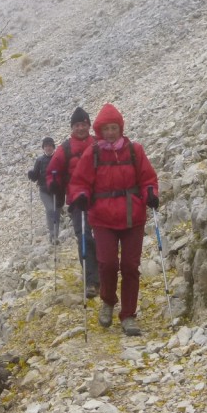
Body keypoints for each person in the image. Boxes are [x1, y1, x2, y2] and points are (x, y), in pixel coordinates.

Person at [68, 103, 159, 337]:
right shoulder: (94, 152)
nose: (110, 132)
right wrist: (80, 196)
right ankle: (108, 301)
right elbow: (80, 181)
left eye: (114, 128)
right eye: (106, 128)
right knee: (107, 264)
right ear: (99, 130)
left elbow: (148, 177)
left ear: (120, 128)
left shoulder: (134, 150)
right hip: (103, 218)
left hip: (133, 216)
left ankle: (128, 315)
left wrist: (151, 193)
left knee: (130, 267)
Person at [45, 106, 100, 298]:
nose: (80, 128)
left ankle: (101, 274)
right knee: (84, 236)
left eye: (84, 124)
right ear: (72, 127)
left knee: (101, 237)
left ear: (89, 125)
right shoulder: (65, 148)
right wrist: (52, 183)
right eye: (77, 125)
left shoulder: (98, 143)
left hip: (100, 197)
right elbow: (53, 170)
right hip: (78, 200)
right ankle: (91, 280)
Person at [27, 137, 61, 243]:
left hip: (57, 191)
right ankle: (52, 235)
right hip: (44, 190)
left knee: (57, 212)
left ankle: (56, 235)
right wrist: (32, 175)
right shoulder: (39, 160)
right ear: (43, 148)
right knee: (51, 210)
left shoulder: (58, 158)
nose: (48, 148)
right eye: (46, 146)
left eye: (50, 146)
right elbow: (35, 176)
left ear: (53, 147)